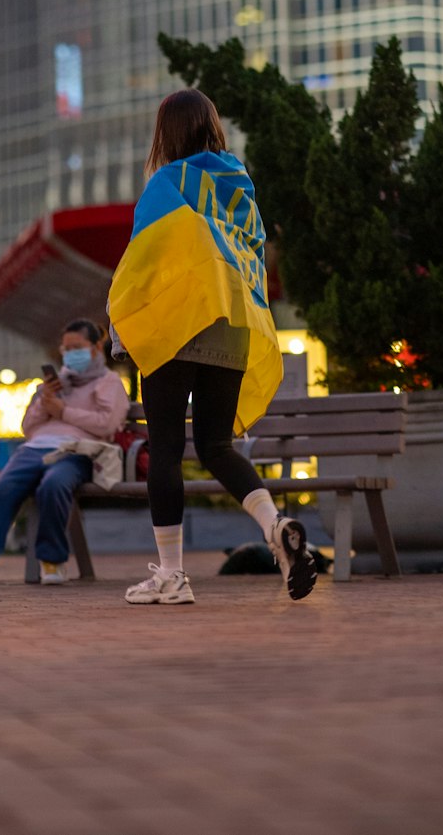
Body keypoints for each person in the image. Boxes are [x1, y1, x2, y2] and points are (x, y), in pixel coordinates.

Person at [108, 88, 317, 605]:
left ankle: (172, 577)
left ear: (167, 133)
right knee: (217, 445)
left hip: (179, 322)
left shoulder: (168, 182)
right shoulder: (239, 185)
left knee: (166, 450)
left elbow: (144, 261)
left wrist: (122, 326)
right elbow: (253, 256)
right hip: (232, 324)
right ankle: (275, 526)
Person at [0, 318, 129, 587]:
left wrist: (63, 412)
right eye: (66, 348)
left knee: (54, 485)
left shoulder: (109, 383)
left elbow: (106, 425)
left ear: (96, 347)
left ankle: (52, 561)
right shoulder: (55, 383)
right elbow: (29, 428)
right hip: (35, 449)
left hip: (78, 452)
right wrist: (44, 401)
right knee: (4, 487)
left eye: (78, 347)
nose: (71, 354)